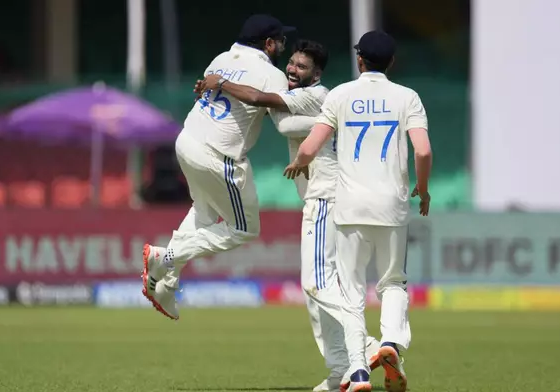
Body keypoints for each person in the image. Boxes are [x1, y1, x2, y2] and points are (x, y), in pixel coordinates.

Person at [200, 39, 382, 391]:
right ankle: (338, 371)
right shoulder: (313, 100)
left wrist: (220, 84)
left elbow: (276, 119)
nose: (292, 70)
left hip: (327, 200)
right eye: (292, 63)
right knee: (316, 290)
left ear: (316, 74)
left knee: (317, 284)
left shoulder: (317, 94)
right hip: (326, 200)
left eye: (301, 67)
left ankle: (366, 347)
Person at [283, 30, 433, 392]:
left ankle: (359, 373)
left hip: (348, 207)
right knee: (392, 283)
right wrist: (423, 190)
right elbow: (423, 152)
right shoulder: (406, 97)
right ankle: (389, 343)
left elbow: (311, 145)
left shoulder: (340, 95)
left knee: (350, 294)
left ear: (359, 60)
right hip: (391, 206)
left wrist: (300, 163)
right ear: (392, 62)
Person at [140, 14, 295, 320]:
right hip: (218, 156)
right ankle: (164, 257)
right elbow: (275, 112)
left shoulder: (221, 59)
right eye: (280, 41)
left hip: (187, 141)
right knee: (244, 229)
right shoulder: (270, 73)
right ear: (267, 43)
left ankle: (164, 283)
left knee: (203, 212)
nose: (283, 47)